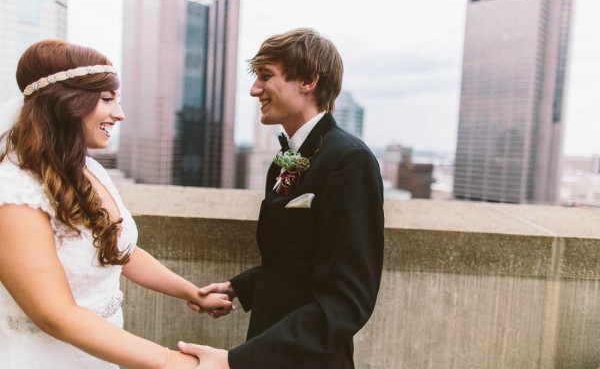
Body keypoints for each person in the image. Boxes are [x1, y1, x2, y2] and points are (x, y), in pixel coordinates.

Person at [0, 39, 233, 368]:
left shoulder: (90, 169)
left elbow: (122, 252)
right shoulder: (14, 192)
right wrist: (172, 362)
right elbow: (54, 315)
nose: (120, 114)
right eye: (107, 99)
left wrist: (191, 292)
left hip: (103, 353)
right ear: (67, 102)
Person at [182, 28, 385, 368]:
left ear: (308, 80)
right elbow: (297, 262)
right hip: (269, 344)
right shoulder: (283, 160)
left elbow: (347, 301)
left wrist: (236, 361)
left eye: (265, 76)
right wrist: (237, 287)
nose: (254, 89)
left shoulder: (350, 160)